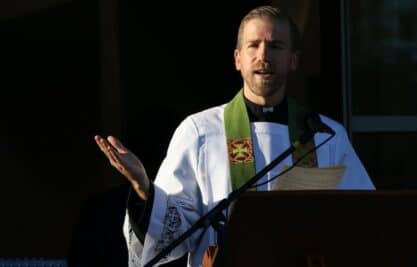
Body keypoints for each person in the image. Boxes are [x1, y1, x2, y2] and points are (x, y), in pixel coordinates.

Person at [95, 5, 375, 267]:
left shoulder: (324, 134)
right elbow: (176, 233)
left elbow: (361, 218)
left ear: (293, 60)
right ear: (237, 59)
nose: (263, 56)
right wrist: (144, 187)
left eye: (275, 46)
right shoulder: (201, 132)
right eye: (253, 45)